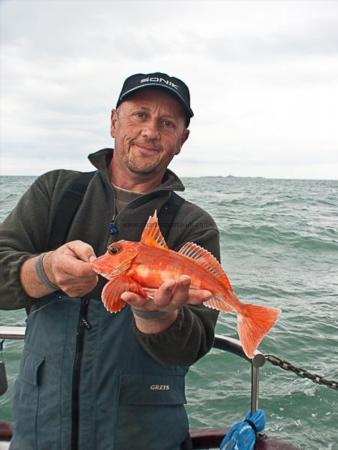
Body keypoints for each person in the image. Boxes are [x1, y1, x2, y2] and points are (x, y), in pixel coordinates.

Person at [0, 72, 220, 450]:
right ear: (114, 121)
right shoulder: (56, 192)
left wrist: (156, 315)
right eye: (139, 115)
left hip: (143, 436)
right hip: (40, 429)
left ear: (181, 140)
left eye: (167, 123)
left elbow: (194, 346)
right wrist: (47, 269)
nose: (151, 131)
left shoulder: (192, 224)